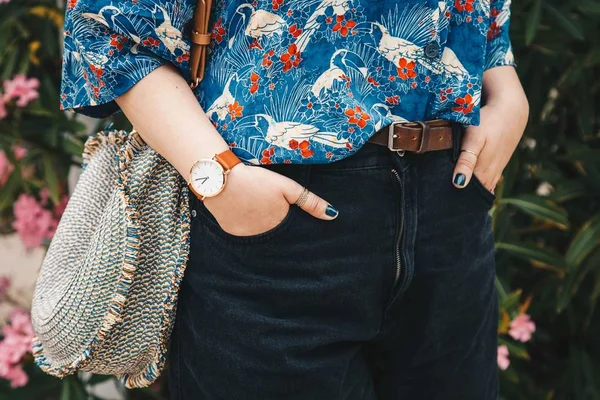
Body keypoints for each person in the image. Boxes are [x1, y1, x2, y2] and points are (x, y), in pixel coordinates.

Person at [60, 0, 528, 398]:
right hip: (277, 221)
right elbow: (108, 29)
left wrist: (504, 85)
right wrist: (219, 178)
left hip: (449, 207)